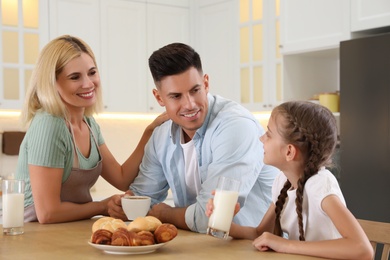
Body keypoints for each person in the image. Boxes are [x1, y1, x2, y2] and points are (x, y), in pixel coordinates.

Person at [107, 42, 279, 233]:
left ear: (206, 83)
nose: (189, 104)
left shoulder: (235, 127)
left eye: (195, 90)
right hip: (200, 247)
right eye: (176, 96)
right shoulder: (161, 136)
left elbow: (212, 219)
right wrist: (124, 205)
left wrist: (164, 214)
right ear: (159, 98)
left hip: (255, 248)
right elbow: (142, 199)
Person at [15, 35, 168, 224]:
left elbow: (122, 178)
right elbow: (47, 213)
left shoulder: (89, 124)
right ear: (52, 83)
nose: (88, 83)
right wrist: (103, 206)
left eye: (92, 72)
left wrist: (149, 132)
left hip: (68, 228)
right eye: (75, 77)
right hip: (32, 233)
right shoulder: (49, 125)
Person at [206, 101, 374, 259]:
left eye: (268, 134)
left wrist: (286, 245)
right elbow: (260, 233)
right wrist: (224, 224)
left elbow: (363, 249)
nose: (261, 139)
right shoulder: (282, 182)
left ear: (289, 152)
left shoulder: (320, 185)